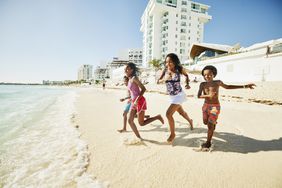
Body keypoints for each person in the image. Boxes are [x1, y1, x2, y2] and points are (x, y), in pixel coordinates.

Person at [197, 65, 256, 149]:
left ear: (214, 75)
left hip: (215, 107)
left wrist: (245, 86)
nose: (207, 76)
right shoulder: (202, 84)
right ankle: (213, 124)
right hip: (205, 106)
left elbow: (228, 87)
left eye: (209, 74)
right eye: (205, 75)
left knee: (210, 125)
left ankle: (208, 142)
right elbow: (198, 96)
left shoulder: (217, 82)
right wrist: (208, 95)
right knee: (205, 122)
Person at [157, 53, 193, 143]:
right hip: (171, 96)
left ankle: (172, 134)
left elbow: (186, 75)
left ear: (175, 62)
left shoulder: (179, 69)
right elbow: (158, 81)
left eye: (170, 62)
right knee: (182, 113)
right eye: (166, 62)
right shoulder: (165, 70)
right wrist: (164, 79)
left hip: (179, 95)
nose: (168, 64)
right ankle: (190, 121)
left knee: (168, 114)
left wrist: (187, 84)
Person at [125, 63, 164, 139]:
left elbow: (143, 89)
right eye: (125, 69)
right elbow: (133, 92)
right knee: (130, 121)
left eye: (128, 69)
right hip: (134, 102)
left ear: (132, 70)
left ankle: (157, 117)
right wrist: (130, 99)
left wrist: (136, 99)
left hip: (140, 101)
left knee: (141, 123)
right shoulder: (129, 79)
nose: (126, 70)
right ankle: (139, 138)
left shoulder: (134, 78)